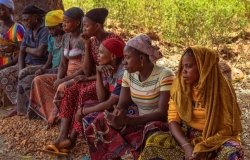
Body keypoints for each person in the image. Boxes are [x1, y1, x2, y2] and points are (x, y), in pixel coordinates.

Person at [139, 46, 243, 160]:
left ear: (203, 67)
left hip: (216, 137)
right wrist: (186, 146)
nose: (183, 71)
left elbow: (228, 127)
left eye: (188, 66)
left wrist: (204, 146)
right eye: (182, 66)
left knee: (232, 152)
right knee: (154, 142)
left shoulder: (222, 89)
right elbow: (173, 120)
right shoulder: (179, 87)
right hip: (187, 134)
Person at [45, 7, 125, 154]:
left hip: (111, 83)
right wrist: (87, 44)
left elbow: (119, 70)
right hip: (96, 77)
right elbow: (87, 69)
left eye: (87, 25)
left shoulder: (114, 40)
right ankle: (63, 136)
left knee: (84, 91)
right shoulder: (92, 41)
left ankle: (73, 138)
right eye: (83, 25)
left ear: (98, 26)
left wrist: (89, 77)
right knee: (70, 90)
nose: (84, 28)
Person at [83, 34, 175, 159]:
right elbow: (122, 104)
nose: (124, 62)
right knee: (99, 120)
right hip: (138, 118)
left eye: (127, 57)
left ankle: (126, 154)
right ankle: (111, 155)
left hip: (157, 123)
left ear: (141, 58)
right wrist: (116, 117)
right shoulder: (129, 74)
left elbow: (162, 113)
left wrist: (128, 120)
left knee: (152, 134)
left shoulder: (165, 75)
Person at [28, 7, 84, 125]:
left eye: (67, 22)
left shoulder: (84, 40)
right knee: (38, 80)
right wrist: (59, 77)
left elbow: (85, 68)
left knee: (62, 86)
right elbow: (63, 63)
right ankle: (50, 113)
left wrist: (64, 80)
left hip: (79, 76)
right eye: (63, 21)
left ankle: (59, 117)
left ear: (78, 22)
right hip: (67, 74)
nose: (63, 25)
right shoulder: (66, 37)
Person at [0, 5, 48, 116]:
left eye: (27, 19)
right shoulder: (28, 31)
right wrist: (21, 68)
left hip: (40, 64)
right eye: (24, 20)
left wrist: (26, 48)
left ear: (35, 17)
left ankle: (32, 108)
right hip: (27, 64)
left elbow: (39, 52)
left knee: (25, 78)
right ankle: (18, 105)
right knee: (3, 74)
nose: (25, 22)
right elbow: (21, 53)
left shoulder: (44, 31)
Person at [16, 10, 64, 116]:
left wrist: (46, 70)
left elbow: (63, 65)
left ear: (61, 26)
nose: (50, 31)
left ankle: (41, 109)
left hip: (60, 70)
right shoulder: (51, 38)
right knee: (23, 74)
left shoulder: (66, 39)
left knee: (29, 80)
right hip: (51, 67)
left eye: (52, 28)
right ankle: (24, 109)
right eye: (48, 29)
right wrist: (43, 69)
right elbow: (49, 60)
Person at [0, 0, 25, 107]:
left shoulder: (18, 29)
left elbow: (21, 52)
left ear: (10, 10)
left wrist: (5, 65)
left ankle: (17, 103)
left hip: (12, 61)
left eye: (2, 9)